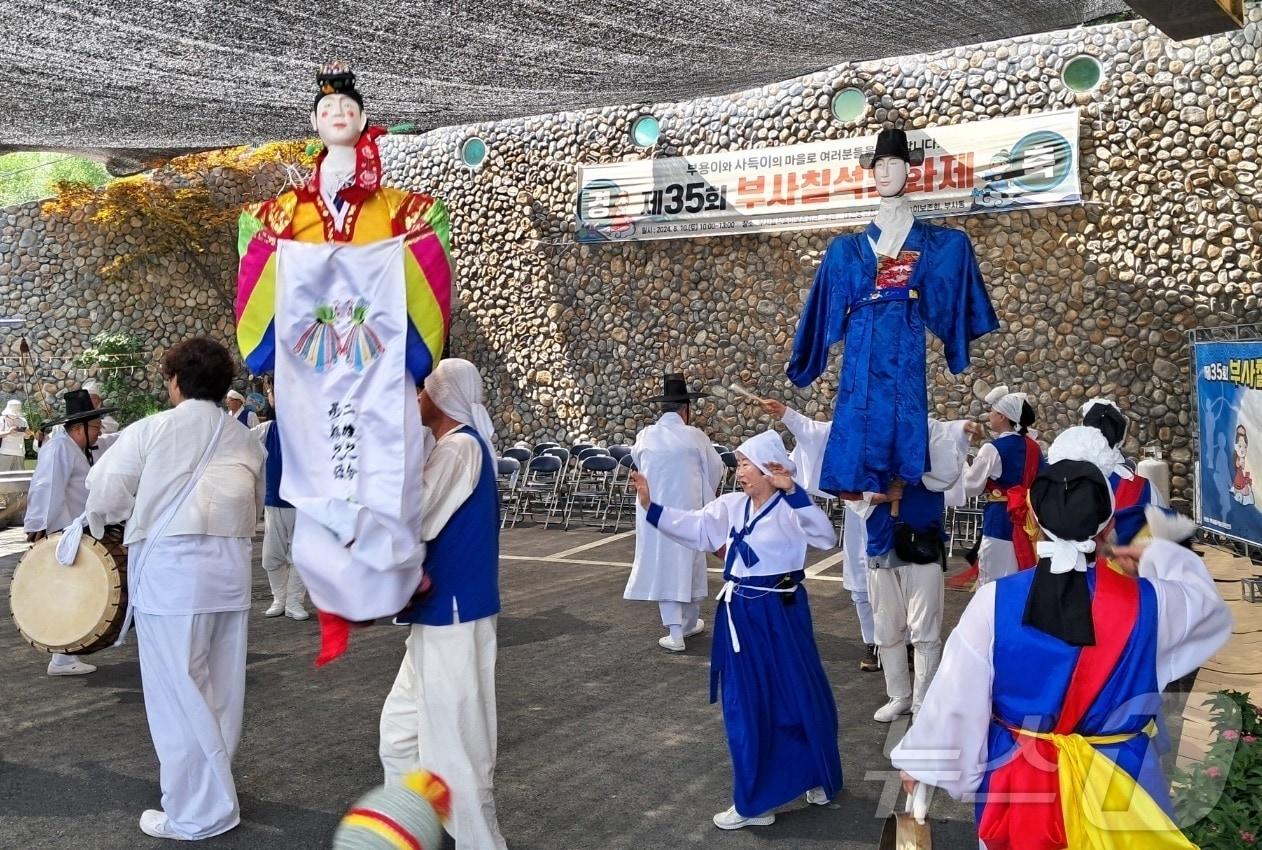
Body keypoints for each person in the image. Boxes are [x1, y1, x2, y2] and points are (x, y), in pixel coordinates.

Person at [891, 427, 1232, 850]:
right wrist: (1156, 554)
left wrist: (923, 765)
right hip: (1122, 784)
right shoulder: (1155, 601)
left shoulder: (993, 602)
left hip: (1022, 784)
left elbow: (956, 699)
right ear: (1109, 523)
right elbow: (1208, 607)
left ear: (1034, 520)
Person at [235, 62, 453, 663]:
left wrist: (380, 261)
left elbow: (430, 255)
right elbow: (255, 263)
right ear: (314, 123)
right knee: (319, 477)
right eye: (328, 109)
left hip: (377, 371)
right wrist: (291, 256)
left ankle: (393, 572)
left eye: (349, 109)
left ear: (363, 121)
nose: (338, 115)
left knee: (388, 469)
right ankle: (334, 585)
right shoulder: (280, 217)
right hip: (314, 375)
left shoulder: (405, 213)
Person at [85, 337, 265, 841]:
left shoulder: (152, 430)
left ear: (176, 382)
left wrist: (109, 520)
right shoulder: (246, 441)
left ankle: (195, 812)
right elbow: (254, 506)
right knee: (221, 690)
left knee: (176, 695)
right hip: (229, 575)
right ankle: (213, 790)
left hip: (171, 578)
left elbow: (104, 490)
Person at [631, 431, 841, 830]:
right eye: (739, 463)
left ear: (768, 470)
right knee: (746, 702)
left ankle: (815, 773)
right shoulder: (731, 505)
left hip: (781, 611)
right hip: (741, 611)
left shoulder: (791, 507)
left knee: (798, 691)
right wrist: (650, 506)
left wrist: (794, 491)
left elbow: (825, 537)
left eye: (746, 464)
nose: (739, 471)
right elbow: (695, 527)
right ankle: (757, 800)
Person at [786, 126, 998, 495]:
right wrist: (809, 356)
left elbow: (951, 264)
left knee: (904, 405)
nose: (884, 172)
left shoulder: (934, 242)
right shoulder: (845, 249)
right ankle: (859, 479)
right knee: (857, 407)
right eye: (879, 165)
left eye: (893, 164)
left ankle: (899, 475)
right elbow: (822, 308)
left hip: (905, 333)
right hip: (862, 340)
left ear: (909, 170)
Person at [378, 358, 507, 850]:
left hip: (453, 614)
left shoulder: (459, 449)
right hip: (439, 615)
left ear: (445, 395)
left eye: (424, 389)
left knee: (457, 749)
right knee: (400, 736)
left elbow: (415, 516)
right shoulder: (453, 447)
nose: (417, 396)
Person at [859, 419, 974, 723]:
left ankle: (924, 701)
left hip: (922, 543)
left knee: (925, 630)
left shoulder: (930, 428)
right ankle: (899, 696)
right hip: (881, 542)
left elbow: (946, 474)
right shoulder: (871, 430)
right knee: (886, 629)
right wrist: (881, 495)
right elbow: (851, 487)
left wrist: (909, 465)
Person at [761, 396, 879, 671]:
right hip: (857, 510)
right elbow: (811, 431)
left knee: (896, 581)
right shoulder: (845, 429)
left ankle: (904, 643)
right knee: (861, 582)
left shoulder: (893, 427)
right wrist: (785, 412)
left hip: (890, 512)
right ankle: (872, 642)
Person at [623, 373, 724, 651]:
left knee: (663, 563)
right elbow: (715, 469)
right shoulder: (695, 436)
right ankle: (687, 625)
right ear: (685, 409)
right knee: (690, 562)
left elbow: (637, 461)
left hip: (654, 511)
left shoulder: (645, 435)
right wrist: (705, 495)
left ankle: (677, 630)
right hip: (689, 509)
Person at [23, 389, 113, 676]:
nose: (99, 432)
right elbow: (46, 487)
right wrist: (39, 527)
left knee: (71, 593)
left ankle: (64, 657)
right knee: (63, 594)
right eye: (95, 427)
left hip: (73, 530)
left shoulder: (77, 447)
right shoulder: (59, 448)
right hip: (60, 531)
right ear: (78, 428)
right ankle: (61, 658)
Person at [959, 385, 1044, 586]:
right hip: (1030, 520)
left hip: (999, 519)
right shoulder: (1034, 447)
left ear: (1002, 416)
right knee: (1021, 578)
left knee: (992, 581)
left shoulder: (992, 449)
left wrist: (962, 463)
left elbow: (971, 487)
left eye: (992, 412)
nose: (989, 416)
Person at [251, 389, 307, 619]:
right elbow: (239, 441)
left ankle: (294, 602)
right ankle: (279, 598)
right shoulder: (267, 429)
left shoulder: (310, 429)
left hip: (302, 503)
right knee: (271, 555)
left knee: (300, 556)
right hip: (274, 501)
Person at [1081, 397, 1167, 546]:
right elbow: (1162, 539)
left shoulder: (1061, 481)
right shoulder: (1145, 488)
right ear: (1122, 438)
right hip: (1127, 560)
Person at [0, 399, 28, 471]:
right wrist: (9, 432)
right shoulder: (1, 420)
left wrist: (27, 433)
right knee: (3, 476)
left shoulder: (23, 420)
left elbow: (27, 437)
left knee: (19, 476)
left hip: (20, 453)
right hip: (5, 453)